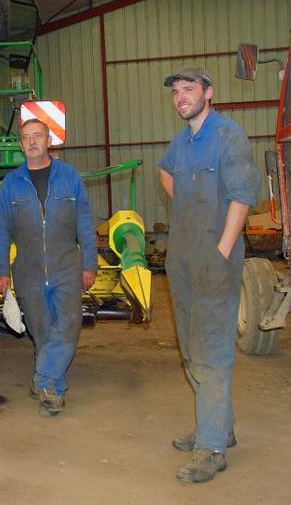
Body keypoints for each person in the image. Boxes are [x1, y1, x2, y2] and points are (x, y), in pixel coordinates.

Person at [158, 67, 261, 483]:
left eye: (189, 90)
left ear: (209, 93)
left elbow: (242, 196)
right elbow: (165, 172)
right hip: (182, 257)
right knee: (189, 347)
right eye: (177, 92)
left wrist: (222, 248)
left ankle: (212, 448)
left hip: (214, 259)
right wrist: (184, 207)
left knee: (211, 350)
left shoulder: (227, 135)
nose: (181, 97)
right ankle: (220, 426)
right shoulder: (181, 142)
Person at [0, 119, 97, 417]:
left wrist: (89, 263)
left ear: (48, 139)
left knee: (68, 325)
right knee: (42, 332)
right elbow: (2, 232)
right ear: (21, 144)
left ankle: (43, 378)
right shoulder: (12, 183)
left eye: (37, 135)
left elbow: (85, 224)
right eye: (26, 137)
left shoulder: (70, 177)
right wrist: (1, 270)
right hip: (28, 270)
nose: (32, 141)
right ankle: (54, 390)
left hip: (66, 266)